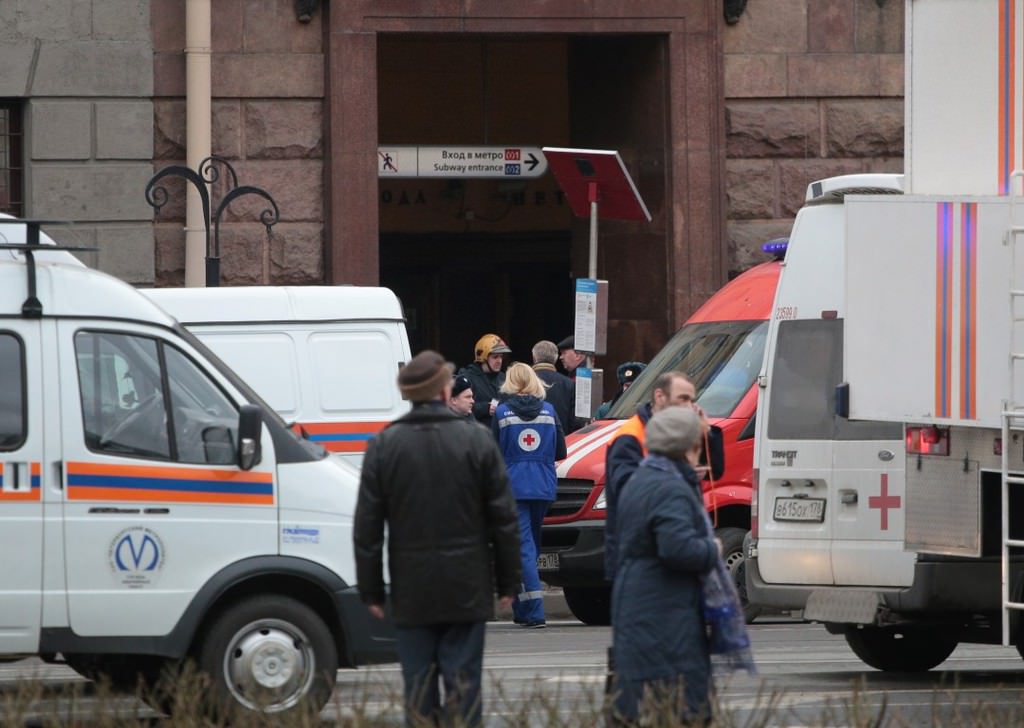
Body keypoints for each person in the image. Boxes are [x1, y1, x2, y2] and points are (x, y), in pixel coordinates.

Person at [353, 350, 521, 728]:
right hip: (467, 583)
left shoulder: (384, 445)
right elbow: (503, 518)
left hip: (412, 586)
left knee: (418, 689)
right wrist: (508, 581)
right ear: (445, 392)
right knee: (464, 688)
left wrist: (371, 590)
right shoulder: (477, 440)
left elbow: (367, 526)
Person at [610, 406, 719, 725]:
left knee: (641, 699)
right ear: (688, 447)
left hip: (639, 601)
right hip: (665, 609)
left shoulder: (642, 478)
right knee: (680, 704)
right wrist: (711, 549)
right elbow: (677, 549)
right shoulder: (670, 487)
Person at [603, 371, 724, 581]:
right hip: (640, 555)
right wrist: (682, 473)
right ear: (660, 396)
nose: (689, 406)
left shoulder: (680, 430)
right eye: (683, 399)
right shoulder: (630, 436)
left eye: (692, 400)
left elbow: (716, 470)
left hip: (669, 545)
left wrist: (707, 433)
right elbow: (630, 493)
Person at [492, 362, 567, 628]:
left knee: (522, 547)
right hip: (543, 485)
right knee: (530, 546)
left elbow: (494, 452)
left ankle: (534, 611)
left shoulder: (502, 413)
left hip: (514, 485)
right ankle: (522, 609)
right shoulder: (549, 411)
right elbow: (561, 451)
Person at [458, 333, 511, 426]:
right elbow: (459, 406)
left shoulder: (504, 378)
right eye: (495, 357)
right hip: (477, 431)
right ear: (483, 357)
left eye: (501, 356)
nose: (499, 361)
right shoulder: (467, 378)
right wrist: (485, 408)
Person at [530, 339, 579, 435]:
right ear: (555, 359)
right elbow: (573, 422)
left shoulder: (524, 381)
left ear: (534, 357)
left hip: (530, 438)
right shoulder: (569, 384)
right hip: (559, 438)